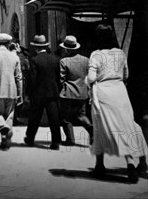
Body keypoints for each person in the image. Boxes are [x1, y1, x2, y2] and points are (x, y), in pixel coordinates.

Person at [87, 24, 147, 183]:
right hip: (120, 93)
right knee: (127, 126)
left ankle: (100, 165)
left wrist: (88, 80)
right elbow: (126, 74)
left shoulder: (96, 55)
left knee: (102, 128)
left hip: (104, 95)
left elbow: (92, 78)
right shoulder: (120, 53)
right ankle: (133, 162)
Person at [24, 35, 61, 150]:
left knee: (34, 117)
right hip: (52, 92)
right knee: (54, 118)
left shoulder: (34, 60)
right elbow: (58, 77)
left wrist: (28, 93)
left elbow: (32, 78)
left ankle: (30, 138)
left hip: (38, 93)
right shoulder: (55, 59)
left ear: (36, 48)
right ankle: (56, 142)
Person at [59, 35, 93, 147]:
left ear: (66, 49)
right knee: (81, 115)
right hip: (82, 93)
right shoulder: (86, 60)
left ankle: (70, 140)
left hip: (68, 93)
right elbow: (90, 76)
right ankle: (91, 129)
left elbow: (61, 78)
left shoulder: (64, 61)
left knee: (66, 118)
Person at [0, 33, 23, 150]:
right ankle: (6, 140)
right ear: (9, 43)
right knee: (9, 116)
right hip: (11, 90)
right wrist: (20, 94)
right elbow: (19, 77)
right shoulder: (15, 57)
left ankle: (2, 127)